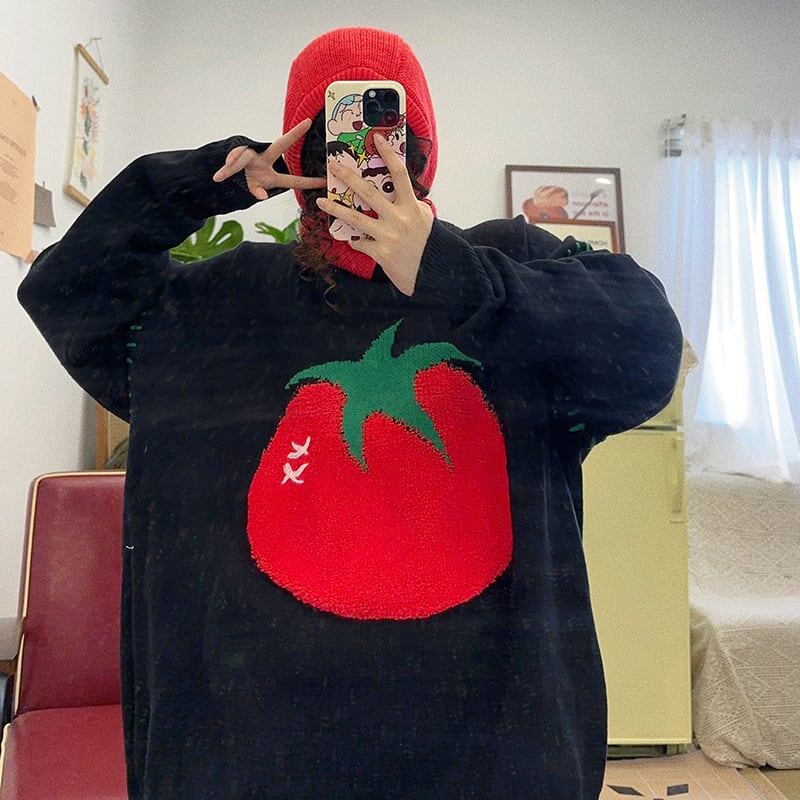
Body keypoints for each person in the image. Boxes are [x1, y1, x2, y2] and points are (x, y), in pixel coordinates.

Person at [17, 25, 684, 800]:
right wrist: (206, 180)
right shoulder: (216, 305)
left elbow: (647, 348)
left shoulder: (508, 270)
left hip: (489, 758)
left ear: (423, 147)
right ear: (300, 150)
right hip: (257, 761)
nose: (367, 152)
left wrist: (450, 274)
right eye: (335, 131)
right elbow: (66, 289)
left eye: (391, 127)